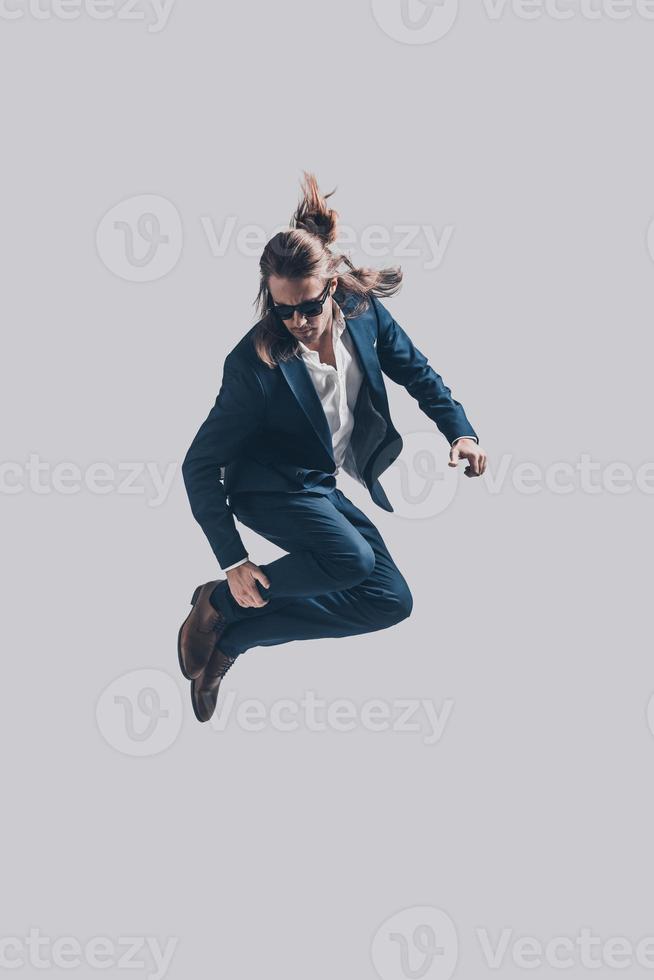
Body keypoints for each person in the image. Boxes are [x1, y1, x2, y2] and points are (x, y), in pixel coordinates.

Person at [178, 172, 486, 723]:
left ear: (333, 286)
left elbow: (418, 373)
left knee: (390, 600)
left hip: (316, 485)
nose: (296, 321)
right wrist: (233, 563)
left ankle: (233, 643)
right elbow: (198, 463)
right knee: (350, 559)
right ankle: (218, 603)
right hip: (265, 486)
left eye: (308, 307)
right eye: (282, 310)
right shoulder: (253, 365)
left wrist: (460, 431)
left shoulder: (364, 313)